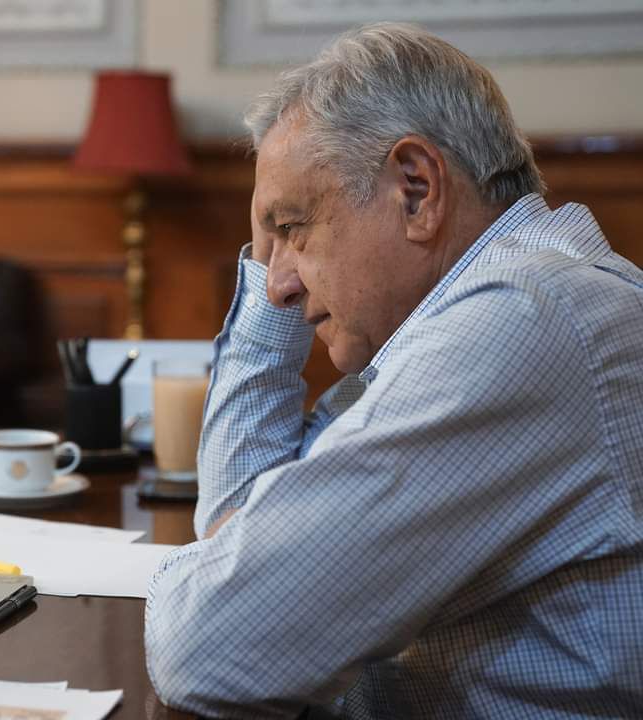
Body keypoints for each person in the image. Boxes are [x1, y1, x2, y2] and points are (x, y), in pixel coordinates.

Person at [144, 22, 643, 719]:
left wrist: (200, 579)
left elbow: (209, 649)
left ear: (416, 189)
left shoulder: (521, 320)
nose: (278, 286)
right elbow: (237, 523)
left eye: (292, 226)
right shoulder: (463, 315)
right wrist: (271, 256)